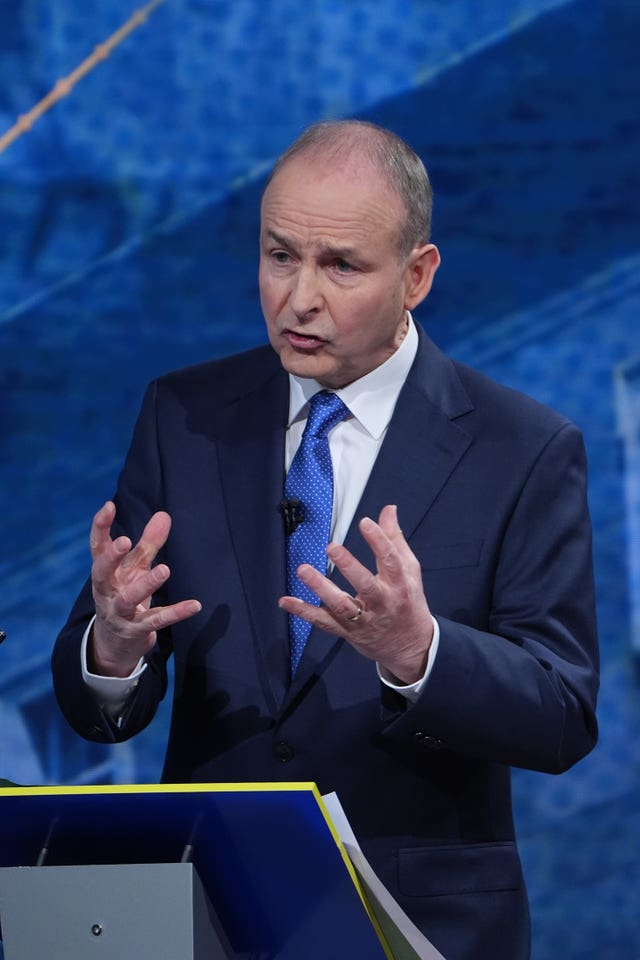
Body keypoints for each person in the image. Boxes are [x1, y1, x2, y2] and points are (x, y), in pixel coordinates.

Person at [52, 120, 599, 960]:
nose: (298, 297)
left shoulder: (521, 449)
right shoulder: (184, 416)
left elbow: (562, 718)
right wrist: (114, 646)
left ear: (417, 276)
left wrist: (421, 653)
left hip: (421, 927)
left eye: (340, 265)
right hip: (207, 914)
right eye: (279, 256)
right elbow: (100, 712)